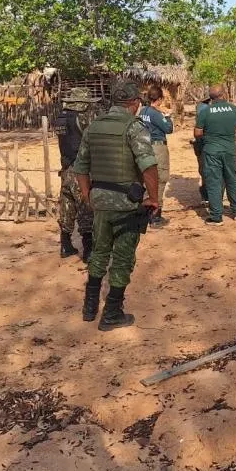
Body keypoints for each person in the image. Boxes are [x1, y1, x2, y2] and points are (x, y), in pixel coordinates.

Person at [72, 80, 160, 331]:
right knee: (122, 258)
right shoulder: (134, 127)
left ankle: (89, 308)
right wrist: (153, 199)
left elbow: (80, 167)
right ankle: (112, 313)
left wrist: (89, 195)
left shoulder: (94, 126)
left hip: (100, 201)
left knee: (99, 252)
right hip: (126, 205)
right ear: (133, 104)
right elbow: (148, 165)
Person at [55, 87, 100, 261]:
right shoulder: (83, 117)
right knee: (85, 206)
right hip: (81, 169)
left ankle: (65, 245)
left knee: (67, 206)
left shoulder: (60, 118)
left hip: (65, 167)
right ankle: (88, 250)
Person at [194, 84, 236, 224]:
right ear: (224, 94)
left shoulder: (205, 111)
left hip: (211, 151)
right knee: (232, 179)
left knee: (214, 182)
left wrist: (211, 133)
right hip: (229, 150)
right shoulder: (233, 108)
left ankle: (216, 216)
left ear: (210, 97)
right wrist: (227, 131)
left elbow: (197, 133)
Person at [138, 85, 174, 227]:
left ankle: (145, 212)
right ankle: (155, 215)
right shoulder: (156, 113)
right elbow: (168, 128)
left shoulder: (142, 111)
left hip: (144, 146)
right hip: (157, 147)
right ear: (159, 99)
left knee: (146, 179)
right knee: (160, 179)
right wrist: (167, 116)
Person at [191, 95, 212, 204]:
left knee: (203, 169)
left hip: (201, 143)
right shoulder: (206, 109)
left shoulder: (201, 108)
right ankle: (208, 194)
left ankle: (206, 194)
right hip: (206, 143)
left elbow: (197, 132)